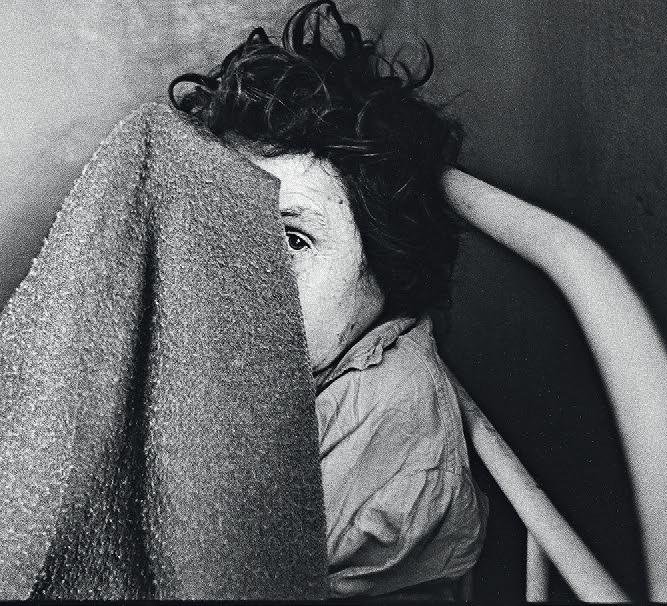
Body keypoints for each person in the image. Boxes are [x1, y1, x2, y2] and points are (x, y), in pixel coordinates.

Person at [169, 0, 487, 599]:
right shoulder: (281, 359)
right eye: (226, 228)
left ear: (387, 266)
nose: (244, 269)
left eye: (293, 239)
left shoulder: (391, 409)